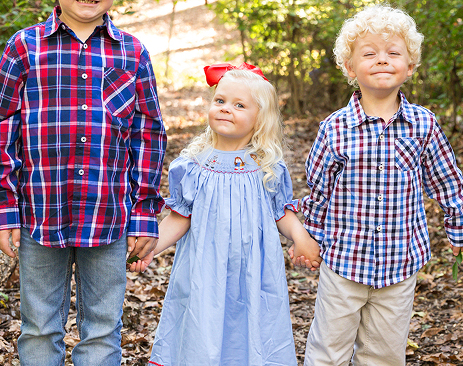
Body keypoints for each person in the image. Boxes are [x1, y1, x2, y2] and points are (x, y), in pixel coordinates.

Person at [0, 0, 166, 366]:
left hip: (109, 215)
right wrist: (1, 207)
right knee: (40, 328)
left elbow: (148, 135)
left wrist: (143, 214)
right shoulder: (25, 48)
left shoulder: (132, 52)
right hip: (40, 214)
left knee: (102, 330)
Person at [298, 4, 463, 366]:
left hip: (400, 262)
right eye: (369, 53)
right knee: (328, 350)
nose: (382, 60)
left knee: (385, 354)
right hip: (344, 260)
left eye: (393, 53)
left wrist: (457, 228)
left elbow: (446, 179)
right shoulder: (335, 128)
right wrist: (307, 238)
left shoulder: (423, 125)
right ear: (349, 67)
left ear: (409, 67)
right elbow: (318, 190)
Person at [130, 63, 322, 366]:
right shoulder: (192, 165)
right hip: (204, 269)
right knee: (202, 324)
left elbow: (280, 213)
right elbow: (180, 217)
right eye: (219, 101)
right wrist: (151, 246)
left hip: (255, 271)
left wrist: (301, 237)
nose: (225, 109)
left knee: (253, 324)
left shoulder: (267, 166)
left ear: (260, 118)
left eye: (239, 105)